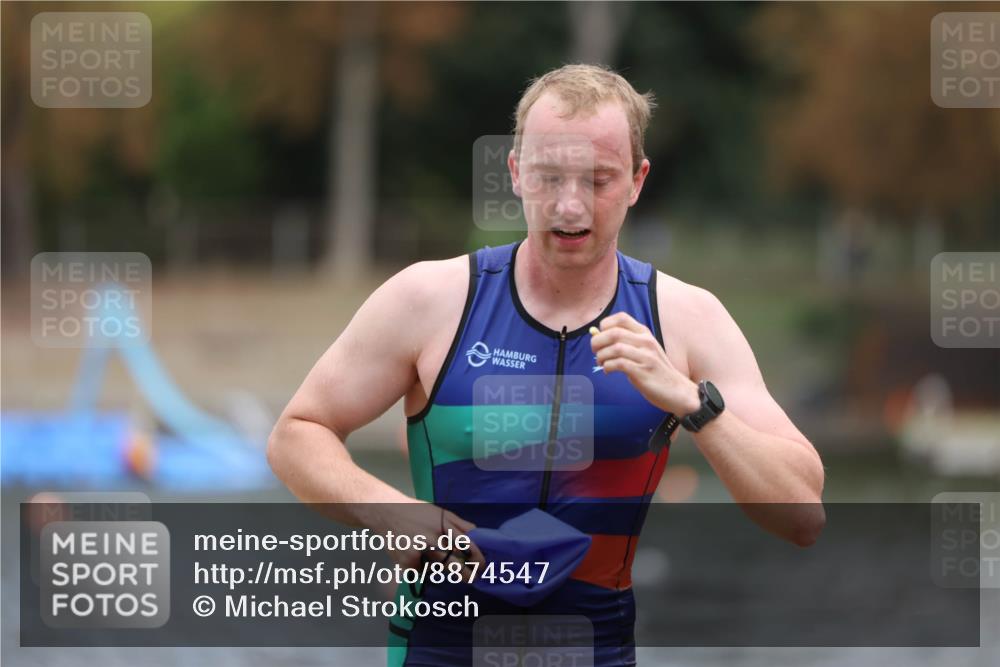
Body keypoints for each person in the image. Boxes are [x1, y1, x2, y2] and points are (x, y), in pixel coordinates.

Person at [268, 63, 825, 667]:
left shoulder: (686, 319)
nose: (569, 204)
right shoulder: (431, 300)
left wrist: (694, 404)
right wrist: (396, 515)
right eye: (549, 176)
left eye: (598, 180)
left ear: (637, 181)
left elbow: (803, 515)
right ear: (515, 173)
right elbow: (297, 434)